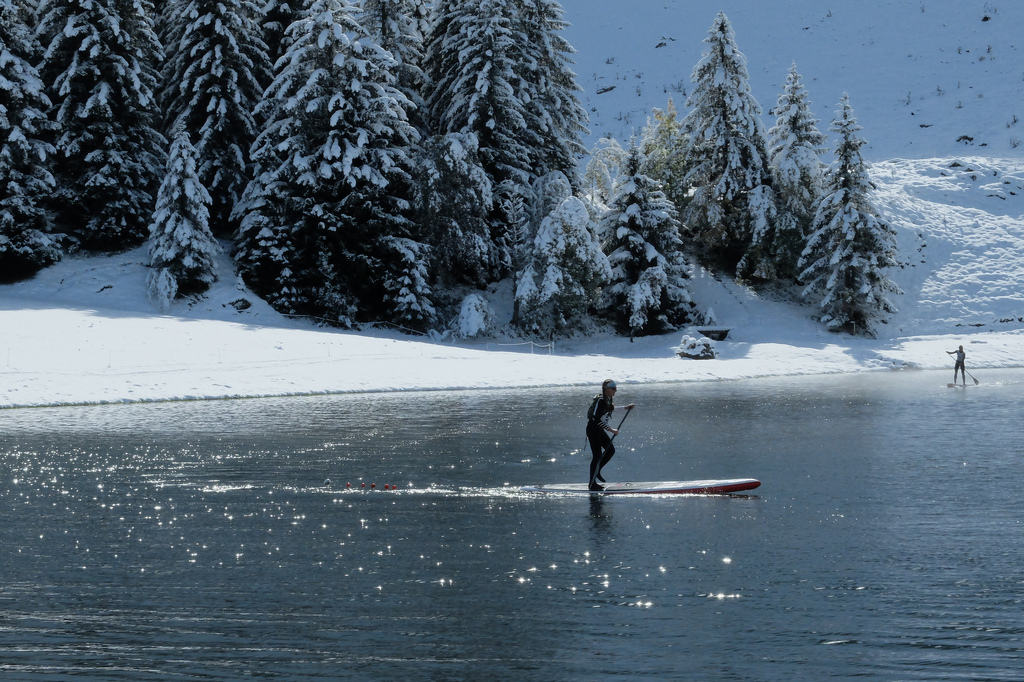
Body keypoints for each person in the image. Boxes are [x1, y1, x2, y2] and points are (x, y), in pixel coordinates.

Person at [586, 379, 634, 491]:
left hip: (599, 430)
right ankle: (592, 484)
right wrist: (611, 430)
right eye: (613, 388)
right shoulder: (600, 401)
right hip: (593, 430)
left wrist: (625, 408)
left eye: (615, 388)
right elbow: (595, 419)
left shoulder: (608, 400)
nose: (615, 391)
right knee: (597, 456)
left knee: (610, 450)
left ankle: (596, 472)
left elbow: (612, 409)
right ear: (606, 389)